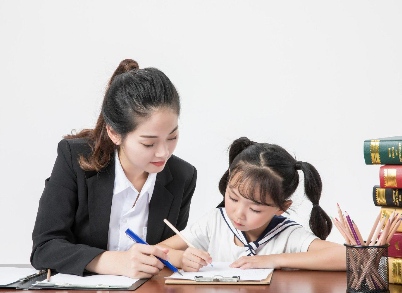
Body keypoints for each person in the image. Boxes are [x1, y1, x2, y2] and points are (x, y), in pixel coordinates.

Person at [31, 59, 197, 279]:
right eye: (149, 143)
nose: (164, 153)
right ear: (114, 133)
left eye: (172, 137)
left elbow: (171, 252)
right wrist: (115, 262)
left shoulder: (182, 176)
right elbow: (44, 248)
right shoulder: (75, 159)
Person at [159, 137, 345, 271]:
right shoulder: (214, 222)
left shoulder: (288, 235)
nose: (239, 213)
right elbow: (157, 251)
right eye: (232, 198)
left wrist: (273, 260)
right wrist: (182, 258)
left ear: (282, 208)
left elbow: (349, 258)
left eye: (255, 209)